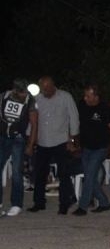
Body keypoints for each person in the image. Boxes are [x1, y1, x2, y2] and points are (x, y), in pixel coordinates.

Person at [27, 76, 79, 214]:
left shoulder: (65, 97)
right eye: (43, 88)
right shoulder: (37, 99)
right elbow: (33, 120)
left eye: (47, 87)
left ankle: (64, 204)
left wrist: (72, 140)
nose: (45, 90)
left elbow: (74, 117)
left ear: (53, 85)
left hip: (60, 140)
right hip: (43, 141)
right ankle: (39, 202)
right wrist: (30, 140)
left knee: (63, 174)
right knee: (39, 174)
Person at [72, 84, 110, 216]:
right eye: (85, 95)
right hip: (86, 147)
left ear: (96, 97)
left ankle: (83, 206)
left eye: (88, 96)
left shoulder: (105, 109)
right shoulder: (82, 105)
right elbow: (77, 124)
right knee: (89, 176)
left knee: (90, 175)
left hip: (100, 148)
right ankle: (103, 202)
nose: (85, 98)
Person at [0, 79, 38, 216]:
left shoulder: (30, 100)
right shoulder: (4, 96)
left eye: (26, 92)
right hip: (2, 137)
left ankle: (16, 204)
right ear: (15, 91)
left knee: (17, 171)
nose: (24, 94)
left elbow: (34, 124)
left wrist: (30, 144)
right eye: (22, 92)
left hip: (18, 139)